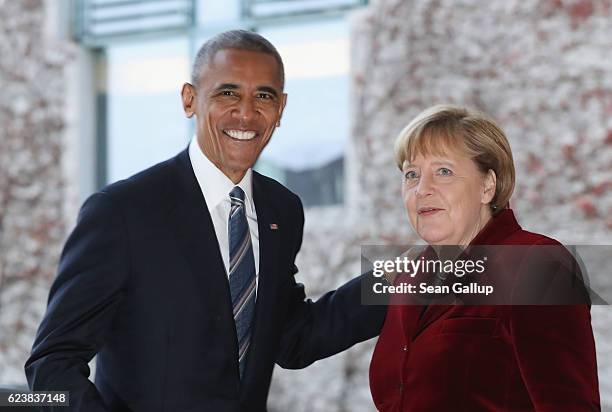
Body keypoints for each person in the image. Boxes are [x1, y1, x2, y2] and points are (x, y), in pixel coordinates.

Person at [25, 30, 385, 412]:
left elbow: (291, 336)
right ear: (190, 99)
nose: (246, 113)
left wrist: (410, 276)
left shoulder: (283, 209)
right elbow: (50, 366)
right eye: (228, 93)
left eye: (263, 96)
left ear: (280, 108)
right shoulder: (121, 211)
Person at [369, 104, 600, 411]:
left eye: (444, 171)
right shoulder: (408, 277)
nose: (422, 189)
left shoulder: (538, 265)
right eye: (411, 174)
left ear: (487, 186)